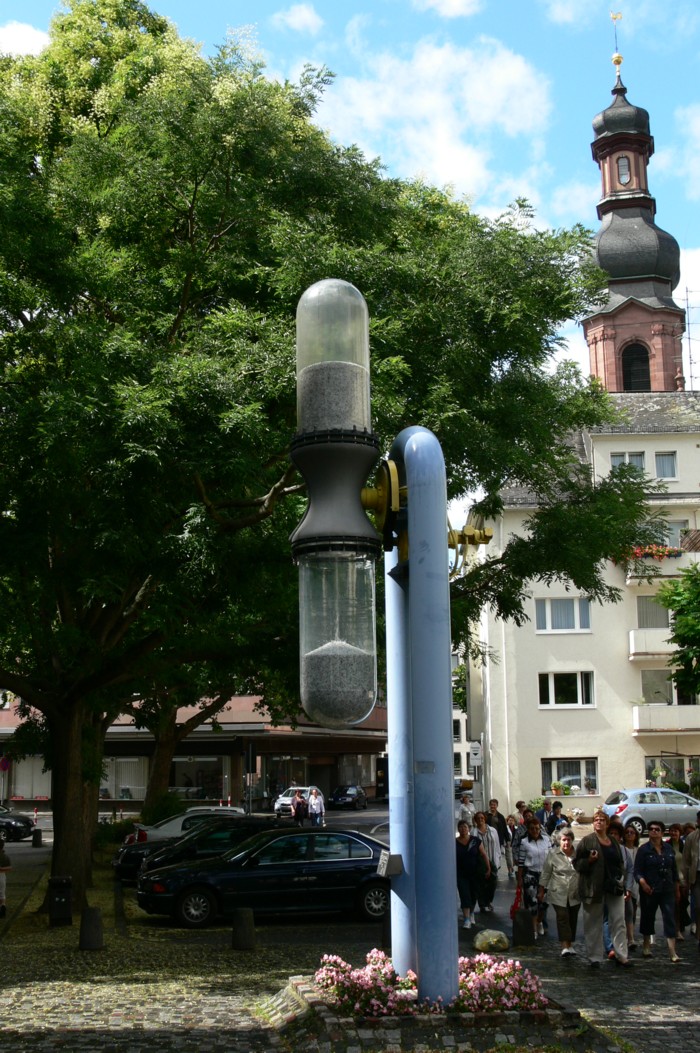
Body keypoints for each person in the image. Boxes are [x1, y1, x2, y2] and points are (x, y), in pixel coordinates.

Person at [574, 809, 631, 968]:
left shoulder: (613, 841)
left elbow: (620, 862)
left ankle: (621, 955)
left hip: (614, 886)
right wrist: (589, 861)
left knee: (618, 920)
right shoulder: (587, 841)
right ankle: (595, 957)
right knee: (593, 922)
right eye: (596, 820)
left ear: (607, 823)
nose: (599, 822)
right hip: (593, 887)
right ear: (593, 824)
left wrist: (622, 879)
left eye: (602, 820)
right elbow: (577, 864)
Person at [634, 820, 681, 962]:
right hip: (650, 889)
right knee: (648, 917)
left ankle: (672, 951)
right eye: (651, 829)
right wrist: (643, 883)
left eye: (657, 829)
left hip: (667, 888)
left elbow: (674, 870)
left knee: (669, 918)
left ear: (661, 832)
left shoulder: (668, 849)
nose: (654, 831)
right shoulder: (643, 850)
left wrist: (677, 888)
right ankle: (646, 945)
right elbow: (637, 871)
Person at [538, 827, 580, 956]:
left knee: (572, 918)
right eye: (563, 840)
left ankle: (570, 944)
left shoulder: (578, 854)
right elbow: (546, 873)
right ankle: (564, 946)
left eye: (568, 840)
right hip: (558, 891)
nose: (566, 842)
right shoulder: (553, 854)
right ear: (559, 841)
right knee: (562, 917)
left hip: (575, 892)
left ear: (572, 840)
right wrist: (541, 890)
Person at [516, 816, 550, 940]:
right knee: (533, 903)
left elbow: (552, 857)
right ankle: (533, 929)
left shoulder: (546, 840)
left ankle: (539, 921)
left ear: (540, 828)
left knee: (545, 903)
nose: (535, 831)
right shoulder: (524, 842)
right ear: (528, 830)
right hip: (530, 875)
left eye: (537, 828)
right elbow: (521, 862)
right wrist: (520, 879)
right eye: (532, 828)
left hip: (545, 875)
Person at [456, 819, 490, 929]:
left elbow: (484, 854)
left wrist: (488, 868)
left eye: (465, 827)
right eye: (461, 827)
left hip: (475, 873)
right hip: (461, 873)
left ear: (469, 829)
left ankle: (471, 913)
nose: (463, 829)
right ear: (458, 829)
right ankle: (466, 919)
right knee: (464, 894)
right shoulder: (454, 842)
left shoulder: (475, 841)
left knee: (473, 894)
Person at [473, 810, 501, 912]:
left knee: (492, 883)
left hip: (492, 859)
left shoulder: (493, 830)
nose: (480, 820)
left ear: (485, 819)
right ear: (475, 820)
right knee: (481, 884)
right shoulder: (473, 832)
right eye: (478, 818)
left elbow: (497, 845)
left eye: (482, 818)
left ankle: (488, 901)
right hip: (481, 862)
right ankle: (482, 904)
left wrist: (498, 859)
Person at [666, 823, 688, 940]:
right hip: (672, 880)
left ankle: (681, 926)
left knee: (683, 904)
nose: (673, 833)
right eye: (672, 831)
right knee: (675, 905)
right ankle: (676, 929)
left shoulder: (683, 845)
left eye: (676, 831)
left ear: (680, 833)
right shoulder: (666, 845)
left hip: (684, 879)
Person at [681, 811, 700, 950]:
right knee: (698, 906)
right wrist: (685, 881)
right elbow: (686, 860)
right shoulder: (692, 838)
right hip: (697, 876)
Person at [622, 824, 640, 950]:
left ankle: (629, 936)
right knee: (628, 910)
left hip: (636, 884)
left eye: (632, 832)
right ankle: (630, 938)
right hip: (624, 884)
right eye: (627, 832)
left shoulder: (638, 850)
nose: (629, 834)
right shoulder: (621, 849)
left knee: (633, 911)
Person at [504, 814, 517, 878]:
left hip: (514, 845)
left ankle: (511, 870)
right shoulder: (505, 828)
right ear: (507, 821)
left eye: (512, 820)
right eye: (510, 820)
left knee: (514, 858)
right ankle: (511, 870)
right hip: (508, 844)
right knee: (509, 858)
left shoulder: (516, 828)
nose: (511, 822)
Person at [0, 841, 10, 918]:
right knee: (2, 893)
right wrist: (1, 869)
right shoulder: (5, 856)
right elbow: (9, 868)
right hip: (2, 875)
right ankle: (3, 905)